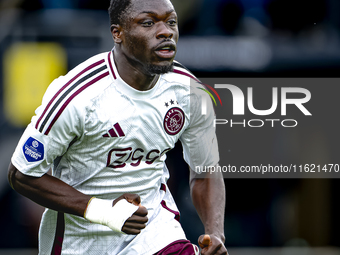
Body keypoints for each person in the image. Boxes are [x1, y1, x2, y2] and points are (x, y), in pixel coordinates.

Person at [8, 0, 228, 254]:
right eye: (148, 23)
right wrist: (103, 211)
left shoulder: (190, 92)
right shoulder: (78, 95)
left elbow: (205, 171)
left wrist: (215, 232)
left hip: (155, 235)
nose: (165, 31)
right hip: (80, 242)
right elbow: (21, 174)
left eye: (171, 22)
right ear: (118, 33)